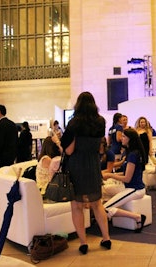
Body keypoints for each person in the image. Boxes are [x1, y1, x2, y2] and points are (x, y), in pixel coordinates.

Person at [58, 92, 111, 254]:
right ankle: (106, 238)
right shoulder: (101, 122)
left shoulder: (74, 123)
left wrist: (59, 141)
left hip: (76, 167)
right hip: (93, 165)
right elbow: (100, 146)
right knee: (97, 204)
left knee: (77, 206)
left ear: (78, 105)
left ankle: (83, 243)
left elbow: (69, 150)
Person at [102, 128, 147, 233]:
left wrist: (110, 175)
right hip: (131, 187)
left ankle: (137, 217)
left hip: (135, 189)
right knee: (105, 190)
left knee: (105, 208)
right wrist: (111, 174)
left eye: (123, 136)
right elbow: (127, 173)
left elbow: (127, 178)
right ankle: (110, 216)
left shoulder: (132, 155)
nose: (121, 138)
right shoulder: (132, 153)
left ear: (129, 139)